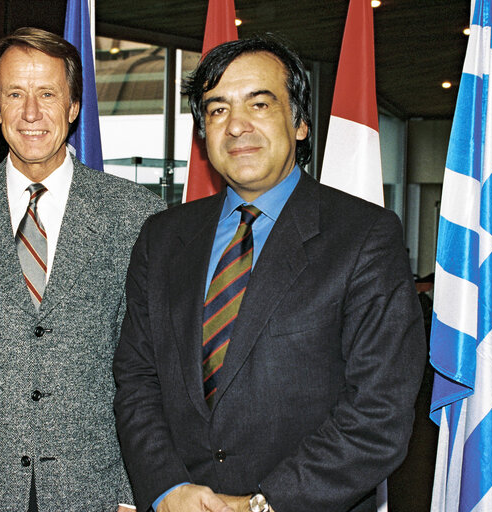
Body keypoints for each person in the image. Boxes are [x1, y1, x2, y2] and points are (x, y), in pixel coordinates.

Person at [113, 35, 425, 512]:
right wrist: (166, 488)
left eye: (259, 104)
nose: (236, 126)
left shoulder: (365, 237)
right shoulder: (162, 236)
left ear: (300, 123)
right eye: (217, 110)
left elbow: (378, 412)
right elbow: (137, 378)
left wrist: (263, 504)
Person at [0, 27, 164, 511]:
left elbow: (150, 374)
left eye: (47, 95)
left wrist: (132, 494)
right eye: (15, 94)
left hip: (95, 494)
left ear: (74, 107)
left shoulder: (135, 215)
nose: (31, 113)